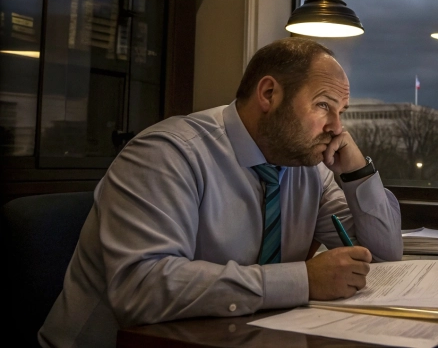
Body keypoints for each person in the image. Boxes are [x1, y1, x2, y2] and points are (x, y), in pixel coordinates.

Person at [39, 38, 403, 347]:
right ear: (269, 93)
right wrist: (303, 280)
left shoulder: (308, 169)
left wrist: (358, 172)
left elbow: (385, 254)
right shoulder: (167, 153)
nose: (337, 127)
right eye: (324, 105)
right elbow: (142, 290)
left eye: (342, 111)